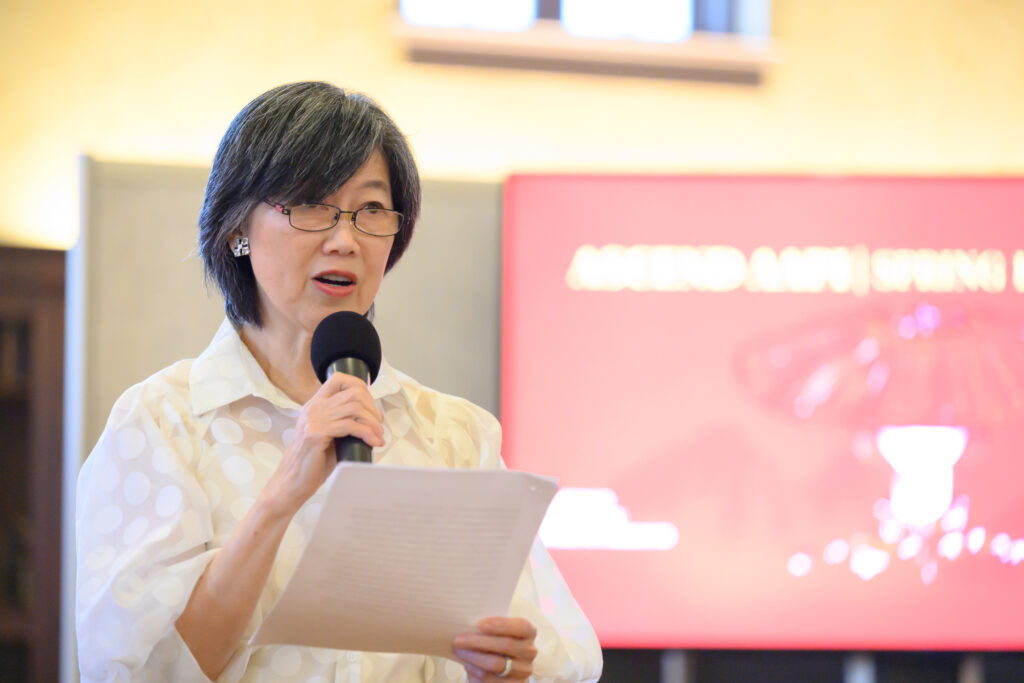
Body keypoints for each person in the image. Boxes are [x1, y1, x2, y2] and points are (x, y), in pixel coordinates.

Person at [75, 81, 603, 682]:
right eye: (310, 205)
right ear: (235, 231)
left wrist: (504, 669)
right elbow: (139, 671)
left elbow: (548, 657)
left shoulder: (454, 436)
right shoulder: (162, 422)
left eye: (371, 210)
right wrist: (282, 494)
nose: (345, 238)